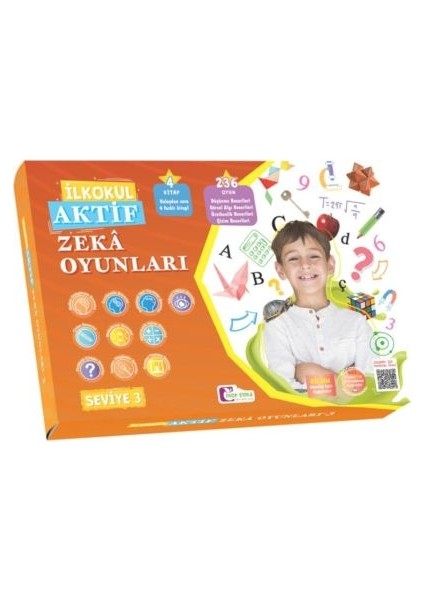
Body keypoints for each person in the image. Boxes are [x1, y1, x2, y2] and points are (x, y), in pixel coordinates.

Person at [263, 220, 374, 391]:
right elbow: (283, 387)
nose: (305, 264)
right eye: (293, 258)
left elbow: (369, 385)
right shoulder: (278, 326)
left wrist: (308, 371)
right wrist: (342, 384)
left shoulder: (356, 322)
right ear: (281, 270)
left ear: (330, 264)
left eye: (314, 256)